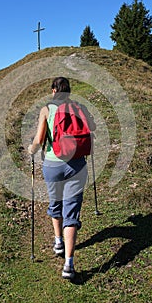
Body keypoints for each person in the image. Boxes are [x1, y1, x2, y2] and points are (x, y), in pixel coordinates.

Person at [28, 76, 96, 280]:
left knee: (55, 203)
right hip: (77, 164)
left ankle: (58, 242)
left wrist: (31, 150)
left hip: (52, 165)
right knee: (71, 212)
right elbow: (92, 129)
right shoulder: (79, 107)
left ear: (53, 91)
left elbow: (40, 140)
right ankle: (69, 264)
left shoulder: (46, 110)